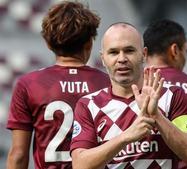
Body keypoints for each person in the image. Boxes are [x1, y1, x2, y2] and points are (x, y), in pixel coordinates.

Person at [70, 22, 187, 169]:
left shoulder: (172, 96)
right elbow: (80, 165)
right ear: (103, 58)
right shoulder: (89, 104)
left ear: (144, 54)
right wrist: (126, 137)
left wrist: (157, 117)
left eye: (129, 50)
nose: (122, 59)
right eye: (113, 52)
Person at [6, 1, 110, 169]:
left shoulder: (28, 84)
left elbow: (18, 155)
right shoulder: (108, 84)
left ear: (48, 44)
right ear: (89, 44)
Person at [143, 19, 187, 125]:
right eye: (186, 51)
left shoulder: (131, 86)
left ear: (144, 52)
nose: (185, 58)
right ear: (174, 50)